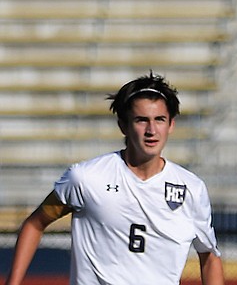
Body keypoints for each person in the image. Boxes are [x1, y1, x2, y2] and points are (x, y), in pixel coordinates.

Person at [5, 72, 224, 285]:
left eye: (159, 119)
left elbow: (209, 256)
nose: (151, 130)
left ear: (171, 125)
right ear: (123, 126)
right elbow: (34, 224)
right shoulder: (86, 178)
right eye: (141, 120)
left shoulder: (192, 188)